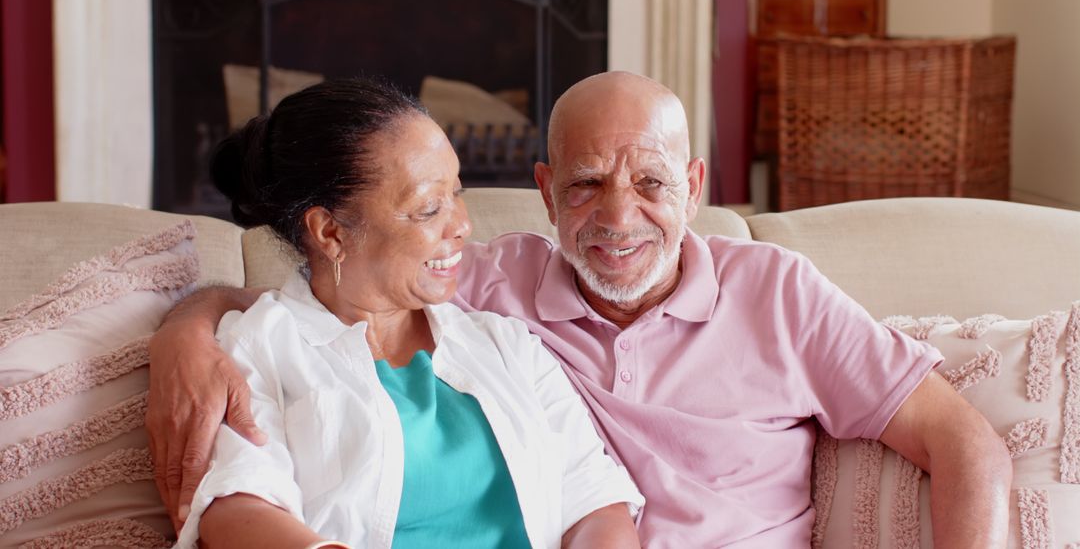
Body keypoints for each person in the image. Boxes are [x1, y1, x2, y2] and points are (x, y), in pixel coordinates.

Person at [149, 72, 1012, 547]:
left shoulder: (779, 294)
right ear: (546, 193)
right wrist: (188, 333)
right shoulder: (485, 292)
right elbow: (316, 306)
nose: (619, 217)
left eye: (651, 182)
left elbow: (961, 441)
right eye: (588, 184)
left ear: (697, 188)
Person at [165, 78, 644, 549]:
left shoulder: (506, 343)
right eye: (429, 208)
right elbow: (238, 506)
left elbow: (596, 502)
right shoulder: (260, 345)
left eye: (456, 192)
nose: (462, 225)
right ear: (330, 232)